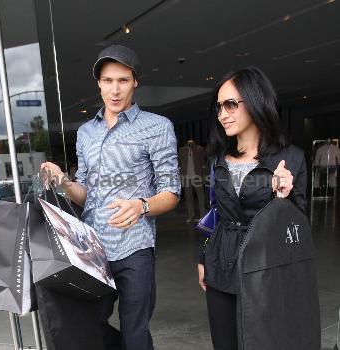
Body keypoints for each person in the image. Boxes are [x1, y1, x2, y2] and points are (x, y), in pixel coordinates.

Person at [41, 44, 180, 350]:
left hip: (135, 248)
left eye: (123, 80)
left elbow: (171, 193)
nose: (115, 90)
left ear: (135, 82)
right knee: (89, 326)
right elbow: (85, 195)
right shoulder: (86, 132)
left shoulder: (157, 128)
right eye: (108, 81)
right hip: (93, 250)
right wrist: (63, 181)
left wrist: (141, 206)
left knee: (135, 333)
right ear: (99, 84)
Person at [197, 66, 307, 349]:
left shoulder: (291, 159)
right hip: (220, 265)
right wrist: (202, 258)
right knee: (225, 343)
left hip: (266, 269)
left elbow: (300, 227)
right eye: (219, 107)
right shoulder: (218, 159)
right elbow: (214, 212)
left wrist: (285, 195)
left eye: (231, 104)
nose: (223, 114)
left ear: (256, 100)